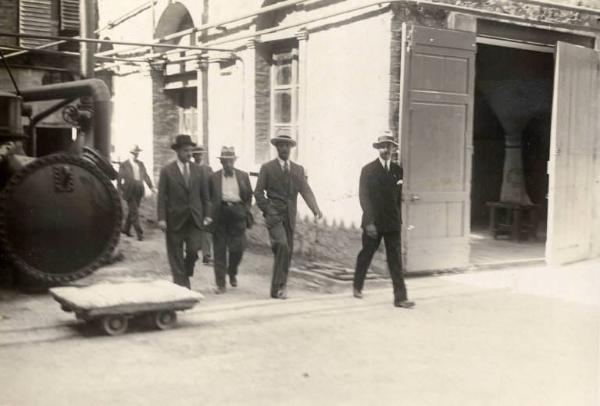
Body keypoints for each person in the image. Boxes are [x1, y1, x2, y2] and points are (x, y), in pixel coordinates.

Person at [254, 134, 322, 299]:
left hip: (290, 217)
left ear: (291, 148)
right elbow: (258, 192)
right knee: (283, 246)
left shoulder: (298, 170)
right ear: (276, 148)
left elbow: (305, 190)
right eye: (281, 146)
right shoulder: (267, 168)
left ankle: (279, 287)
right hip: (274, 216)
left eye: (287, 146)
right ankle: (278, 287)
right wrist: (268, 210)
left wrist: (315, 209)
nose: (284, 148)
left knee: (286, 251)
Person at [353, 131, 414, 308]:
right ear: (378, 149)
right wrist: (369, 222)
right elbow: (364, 197)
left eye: (389, 146)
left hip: (393, 222)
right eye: (382, 146)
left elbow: (398, 198)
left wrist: (399, 220)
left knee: (395, 259)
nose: (386, 149)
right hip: (374, 222)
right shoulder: (368, 170)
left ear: (394, 148)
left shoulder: (398, 171)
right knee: (367, 254)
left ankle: (400, 298)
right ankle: (357, 285)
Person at [157, 134, 212, 289]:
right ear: (178, 151)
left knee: (194, 249)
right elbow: (161, 196)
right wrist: (161, 218)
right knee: (175, 254)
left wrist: (207, 214)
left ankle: (187, 270)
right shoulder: (167, 171)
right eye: (186, 150)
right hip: (174, 218)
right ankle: (182, 285)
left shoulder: (199, 170)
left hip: (195, 218)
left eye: (191, 150)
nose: (189, 153)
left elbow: (205, 195)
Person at [209, 146, 253, 294]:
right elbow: (209, 198)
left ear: (234, 161)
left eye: (230, 161)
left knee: (238, 248)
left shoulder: (243, 176)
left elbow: (248, 196)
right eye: (225, 161)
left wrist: (245, 210)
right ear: (221, 162)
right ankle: (220, 284)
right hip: (220, 214)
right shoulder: (213, 177)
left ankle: (232, 271)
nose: (228, 164)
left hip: (238, 214)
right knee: (219, 250)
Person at [117, 145, 155, 241]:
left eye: (137, 152)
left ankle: (126, 229)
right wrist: (120, 190)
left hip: (139, 189)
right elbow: (119, 179)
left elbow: (145, 176)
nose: (136, 154)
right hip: (129, 190)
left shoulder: (141, 164)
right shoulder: (124, 164)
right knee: (135, 212)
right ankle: (140, 233)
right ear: (130, 153)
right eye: (134, 153)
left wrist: (151, 187)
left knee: (132, 211)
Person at [192, 145, 214, 265]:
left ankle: (207, 255)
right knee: (194, 227)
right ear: (193, 156)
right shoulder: (189, 168)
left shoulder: (208, 169)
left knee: (207, 228)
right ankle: (193, 252)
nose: (198, 156)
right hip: (193, 203)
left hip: (206, 202)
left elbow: (213, 184)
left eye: (200, 154)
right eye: (196, 154)